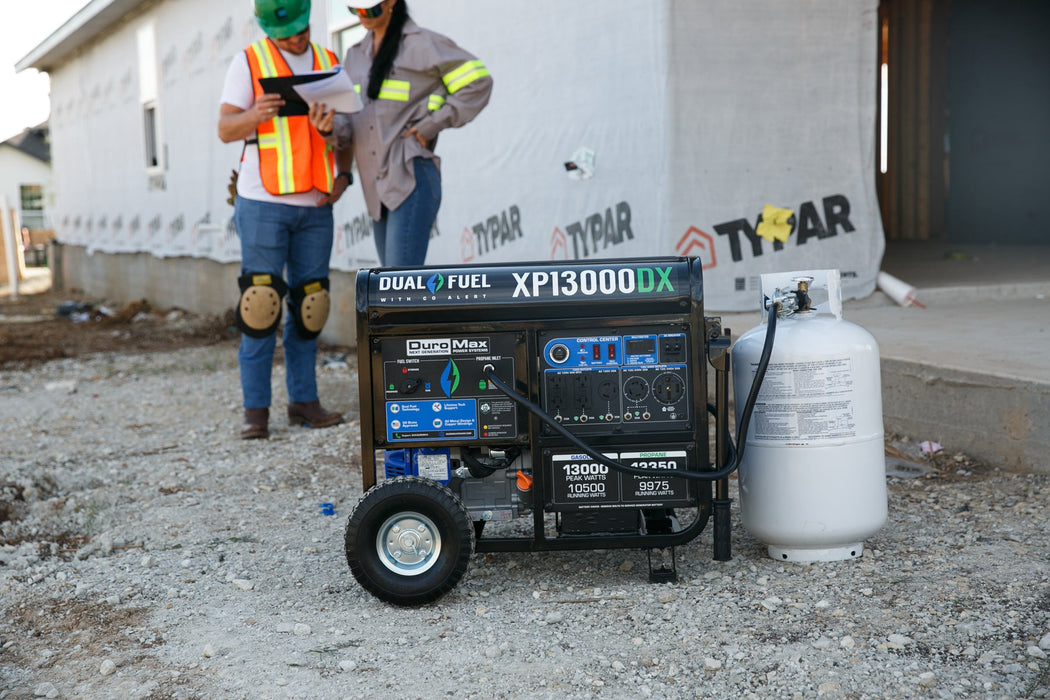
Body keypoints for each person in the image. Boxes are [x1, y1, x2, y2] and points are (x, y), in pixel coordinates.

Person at [218, 0, 351, 439]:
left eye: (302, 29)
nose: (297, 38)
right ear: (266, 28)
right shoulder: (249, 62)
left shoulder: (328, 61)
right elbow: (225, 129)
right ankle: (255, 413)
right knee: (260, 305)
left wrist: (340, 162)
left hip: (315, 202)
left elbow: (345, 132)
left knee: (311, 306)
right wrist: (253, 115)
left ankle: (304, 402)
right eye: (287, 33)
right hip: (263, 202)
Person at [309, 0, 493, 266]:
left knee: (399, 283)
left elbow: (478, 82)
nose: (361, 16)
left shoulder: (422, 44)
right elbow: (350, 125)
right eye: (354, 10)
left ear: (391, 2)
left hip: (410, 175)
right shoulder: (355, 56)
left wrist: (431, 124)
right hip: (375, 188)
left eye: (369, 9)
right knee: (392, 283)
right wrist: (327, 128)